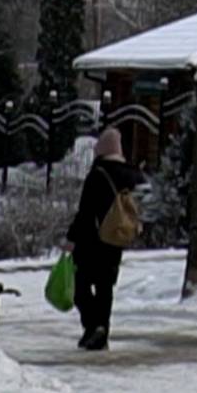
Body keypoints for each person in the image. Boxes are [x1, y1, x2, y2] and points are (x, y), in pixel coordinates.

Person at [63, 128, 143, 351]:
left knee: (81, 286)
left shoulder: (98, 173)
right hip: (116, 238)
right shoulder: (131, 174)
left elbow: (86, 210)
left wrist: (72, 237)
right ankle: (101, 331)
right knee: (105, 286)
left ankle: (93, 327)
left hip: (91, 240)